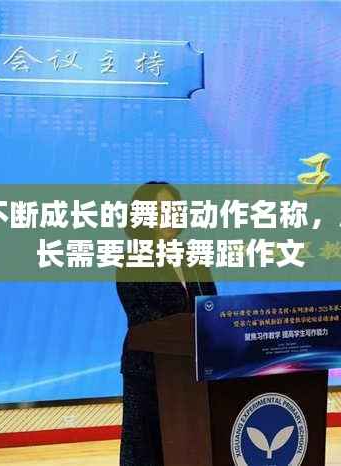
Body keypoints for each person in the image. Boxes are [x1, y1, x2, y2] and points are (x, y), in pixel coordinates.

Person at [116, 181, 217, 466]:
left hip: (192, 369)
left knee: (191, 446)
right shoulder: (131, 261)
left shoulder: (193, 258)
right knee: (147, 449)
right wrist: (188, 325)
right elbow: (142, 318)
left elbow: (212, 303)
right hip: (149, 371)